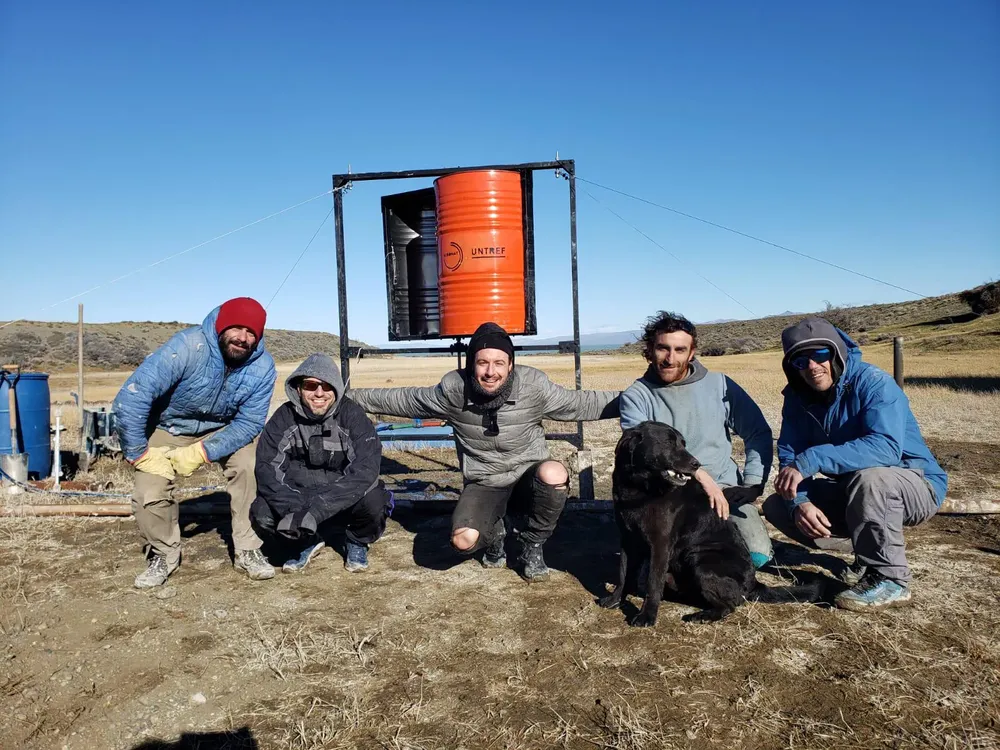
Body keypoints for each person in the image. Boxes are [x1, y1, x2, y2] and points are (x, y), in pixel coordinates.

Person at [350, 322, 620, 582]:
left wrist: (636, 399)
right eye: (483, 362)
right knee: (463, 540)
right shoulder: (453, 391)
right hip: (485, 482)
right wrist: (342, 396)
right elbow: (400, 400)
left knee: (554, 473)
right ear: (472, 364)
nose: (491, 372)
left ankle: (532, 543)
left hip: (528, 479)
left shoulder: (534, 387)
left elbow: (580, 403)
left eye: (499, 363)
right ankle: (496, 534)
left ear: (511, 365)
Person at [762, 317, 948, 611]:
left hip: (915, 483)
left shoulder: (874, 383)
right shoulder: (797, 398)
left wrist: (813, 458)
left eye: (820, 354)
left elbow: (886, 448)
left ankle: (891, 579)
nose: (812, 366)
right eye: (800, 360)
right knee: (777, 505)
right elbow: (789, 453)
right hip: (854, 490)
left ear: (836, 353)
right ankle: (866, 551)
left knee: (871, 479)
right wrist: (800, 502)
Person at [114, 297, 277, 588]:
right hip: (170, 426)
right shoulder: (188, 346)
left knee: (250, 465)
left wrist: (203, 451)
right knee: (149, 488)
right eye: (236, 328)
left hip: (224, 429)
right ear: (221, 326)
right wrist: (138, 452)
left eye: (251, 332)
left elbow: (250, 422)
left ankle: (248, 548)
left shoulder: (263, 366)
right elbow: (133, 396)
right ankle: (163, 553)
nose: (242, 337)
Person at [620, 311, 775, 568]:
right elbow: (644, 450)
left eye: (680, 350)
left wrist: (752, 484)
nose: (670, 358)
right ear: (650, 350)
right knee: (671, 565)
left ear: (692, 353)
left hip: (724, 492)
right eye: (663, 348)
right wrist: (700, 476)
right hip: (665, 497)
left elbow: (757, 432)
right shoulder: (637, 396)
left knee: (755, 557)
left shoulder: (720, 385)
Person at [251, 353, 392, 573]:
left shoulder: (353, 416)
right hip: (298, 496)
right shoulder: (283, 418)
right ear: (298, 388)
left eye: (327, 386)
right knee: (261, 513)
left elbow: (365, 470)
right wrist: (293, 510)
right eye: (311, 385)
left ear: (336, 389)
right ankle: (306, 541)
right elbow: (267, 469)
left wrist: (317, 510)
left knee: (375, 501)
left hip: (342, 497)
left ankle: (356, 540)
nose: (319, 393)